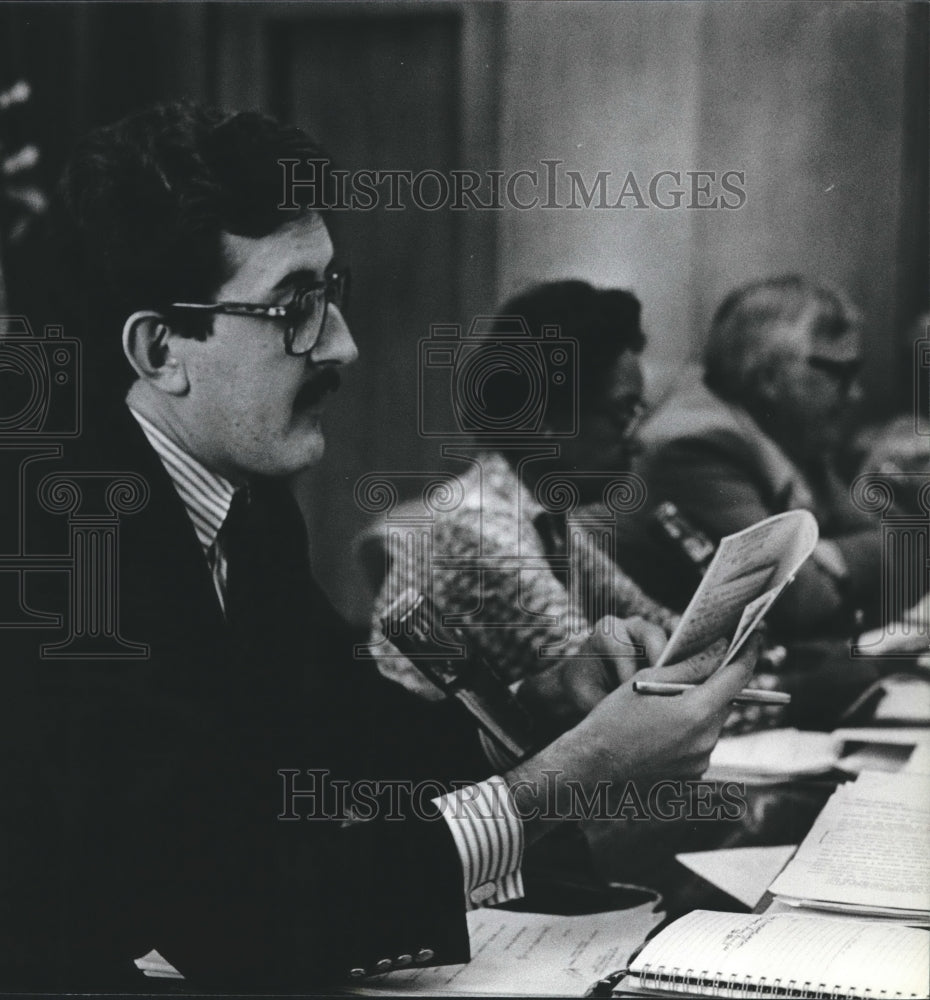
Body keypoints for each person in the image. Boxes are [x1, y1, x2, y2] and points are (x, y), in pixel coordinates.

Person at [0, 103, 757, 992]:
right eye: (295, 307)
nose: (345, 345)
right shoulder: (57, 555)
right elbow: (233, 906)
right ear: (162, 348)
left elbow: (345, 726)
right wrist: (566, 781)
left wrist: (544, 708)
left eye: (332, 295)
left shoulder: (249, 507)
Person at [367, 280, 679, 703]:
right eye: (623, 413)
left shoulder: (541, 514)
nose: (636, 441)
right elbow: (602, 683)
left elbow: (653, 619)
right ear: (546, 418)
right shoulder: (480, 528)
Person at [634, 275, 888, 638]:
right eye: (841, 373)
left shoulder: (789, 432)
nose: (856, 394)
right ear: (769, 378)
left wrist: (824, 557)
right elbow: (799, 604)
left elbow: (892, 544)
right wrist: (821, 562)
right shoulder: (695, 447)